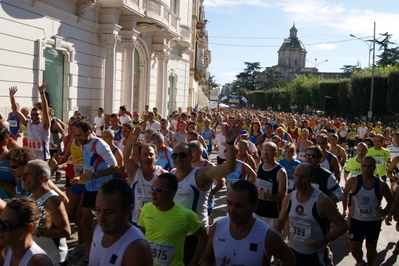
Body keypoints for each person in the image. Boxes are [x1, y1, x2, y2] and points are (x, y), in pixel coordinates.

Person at [171, 120, 242, 264]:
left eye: (182, 155)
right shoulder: (171, 174)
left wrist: (229, 143)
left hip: (196, 235)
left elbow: (228, 168)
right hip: (174, 232)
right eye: (174, 156)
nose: (178, 159)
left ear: (191, 157)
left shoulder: (201, 174)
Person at [201, 180, 296, 266]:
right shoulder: (217, 227)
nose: (232, 210)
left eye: (239, 205)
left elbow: (290, 259)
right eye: (229, 203)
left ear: (255, 205)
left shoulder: (267, 236)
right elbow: (207, 257)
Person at [274, 164, 349, 266]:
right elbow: (280, 221)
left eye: (302, 176)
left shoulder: (322, 201)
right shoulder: (289, 198)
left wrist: (324, 241)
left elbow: (343, 226)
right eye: (296, 176)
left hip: (314, 256)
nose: (298, 180)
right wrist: (274, 239)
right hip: (292, 252)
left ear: (311, 179)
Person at [73, 120, 118, 264]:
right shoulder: (83, 144)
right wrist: (79, 176)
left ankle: (105, 253)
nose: (77, 139)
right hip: (89, 188)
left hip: (102, 189)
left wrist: (96, 176)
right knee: (84, 220)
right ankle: (88, 255)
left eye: (79, 135)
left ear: (88, 132)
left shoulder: (100, 145)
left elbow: (115, 167)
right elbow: (88, 167)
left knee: (103, 222)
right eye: (76, 136)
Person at [139, 173, 207, 266]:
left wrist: (194, 262)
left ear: (171, 194)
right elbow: (140, 236)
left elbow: (203, 237)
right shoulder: (146, 209)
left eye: (159, 190)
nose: (153, 193)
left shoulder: (186, 215)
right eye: (152, 188)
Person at [343, 157, 393, 266]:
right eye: (364, 166)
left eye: (370, 166)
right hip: (357, 220)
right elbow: (345, 193)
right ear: (361, 167)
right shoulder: (353, 181)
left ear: (374, 168)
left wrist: (385, 211)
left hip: (373, 222)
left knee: (371, 248)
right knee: (354, 247)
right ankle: (360, 262)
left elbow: (391, 201)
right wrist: (345, 209)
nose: (366, 169)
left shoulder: (381, 185)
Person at [90, 179, 153, 266]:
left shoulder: (136, 248)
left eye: (109, 213)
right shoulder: (98, 230)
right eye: (98, 210)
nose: (101, 218)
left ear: (128, 211)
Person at [22, 159, 71, 265]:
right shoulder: (32, 197)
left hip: (54, 259)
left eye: (27, 174)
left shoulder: (52, 200)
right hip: (39, 258)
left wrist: (36, 231)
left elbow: (66, 231)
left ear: (41, 178)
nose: (23, 178)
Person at [123, 128, 168, 226]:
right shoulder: (135, 172)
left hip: (156, 222)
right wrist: (130, 142)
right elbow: (126, 158)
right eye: (145, 155)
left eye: (151, 155)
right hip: (136, 221)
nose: (148, 157)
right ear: (139, 158)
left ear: (156, 158)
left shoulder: (163, 174)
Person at [1, 197, 53, 266]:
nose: (0, 229)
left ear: (29, 228)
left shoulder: (37, 262)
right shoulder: (8, 250)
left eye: (7, 225)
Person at [9, 83, 51, 160]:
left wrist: (42, 93)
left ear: (41, 115)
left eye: (36, 114)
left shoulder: (45, 125)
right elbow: (16, 110)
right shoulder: (28, 124)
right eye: (32, 115)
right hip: (31, 158)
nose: (34, 116)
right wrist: (12, 96)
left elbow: (45, 110)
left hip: (43, 158)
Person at [254, 142, 288, 227]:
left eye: (268, 152)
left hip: (272, 215)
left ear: (275, 154)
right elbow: (255, 185)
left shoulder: (280, 172)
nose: (265, 155)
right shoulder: (259, 167)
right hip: (257, 212)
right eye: (263, 152)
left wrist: (269, 197)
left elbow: (283, 196)